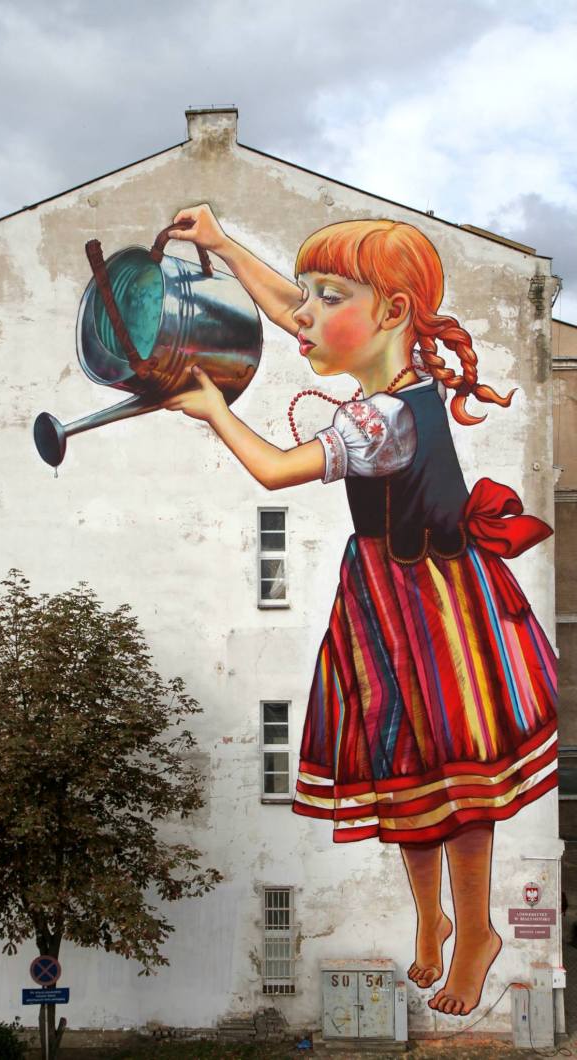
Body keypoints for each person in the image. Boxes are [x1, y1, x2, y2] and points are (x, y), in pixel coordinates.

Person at [164, 205, 557, 1017]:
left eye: (327, 295)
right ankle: (429, 924)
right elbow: (286, 307)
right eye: (307, 294)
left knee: (457, 771)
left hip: (432, 609)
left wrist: (216, 411)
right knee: (405, 769)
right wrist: (222, 243)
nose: (301, 313)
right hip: (386, 601)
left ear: (392, 312)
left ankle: (475, 931)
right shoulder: (394, 385)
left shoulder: (380, 421)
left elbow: (274, 472)